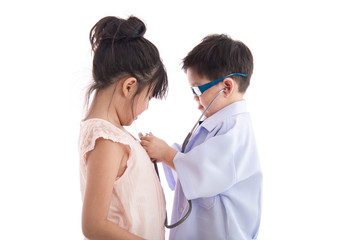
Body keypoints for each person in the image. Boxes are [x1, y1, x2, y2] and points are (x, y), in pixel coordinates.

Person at [140, 34, 262, 240]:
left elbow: (204, 173)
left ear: (227, 87)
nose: (196, 101)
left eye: (197, 90)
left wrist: (166, 153)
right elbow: (197, 171)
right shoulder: (217, 125)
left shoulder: (234, 129)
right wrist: (169, 155)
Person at [78, 16, 168, 240]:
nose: (146, 107)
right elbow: (93, 225)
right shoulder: (107, 139)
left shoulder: (114, 135)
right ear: (129, 86)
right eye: (148, 96)